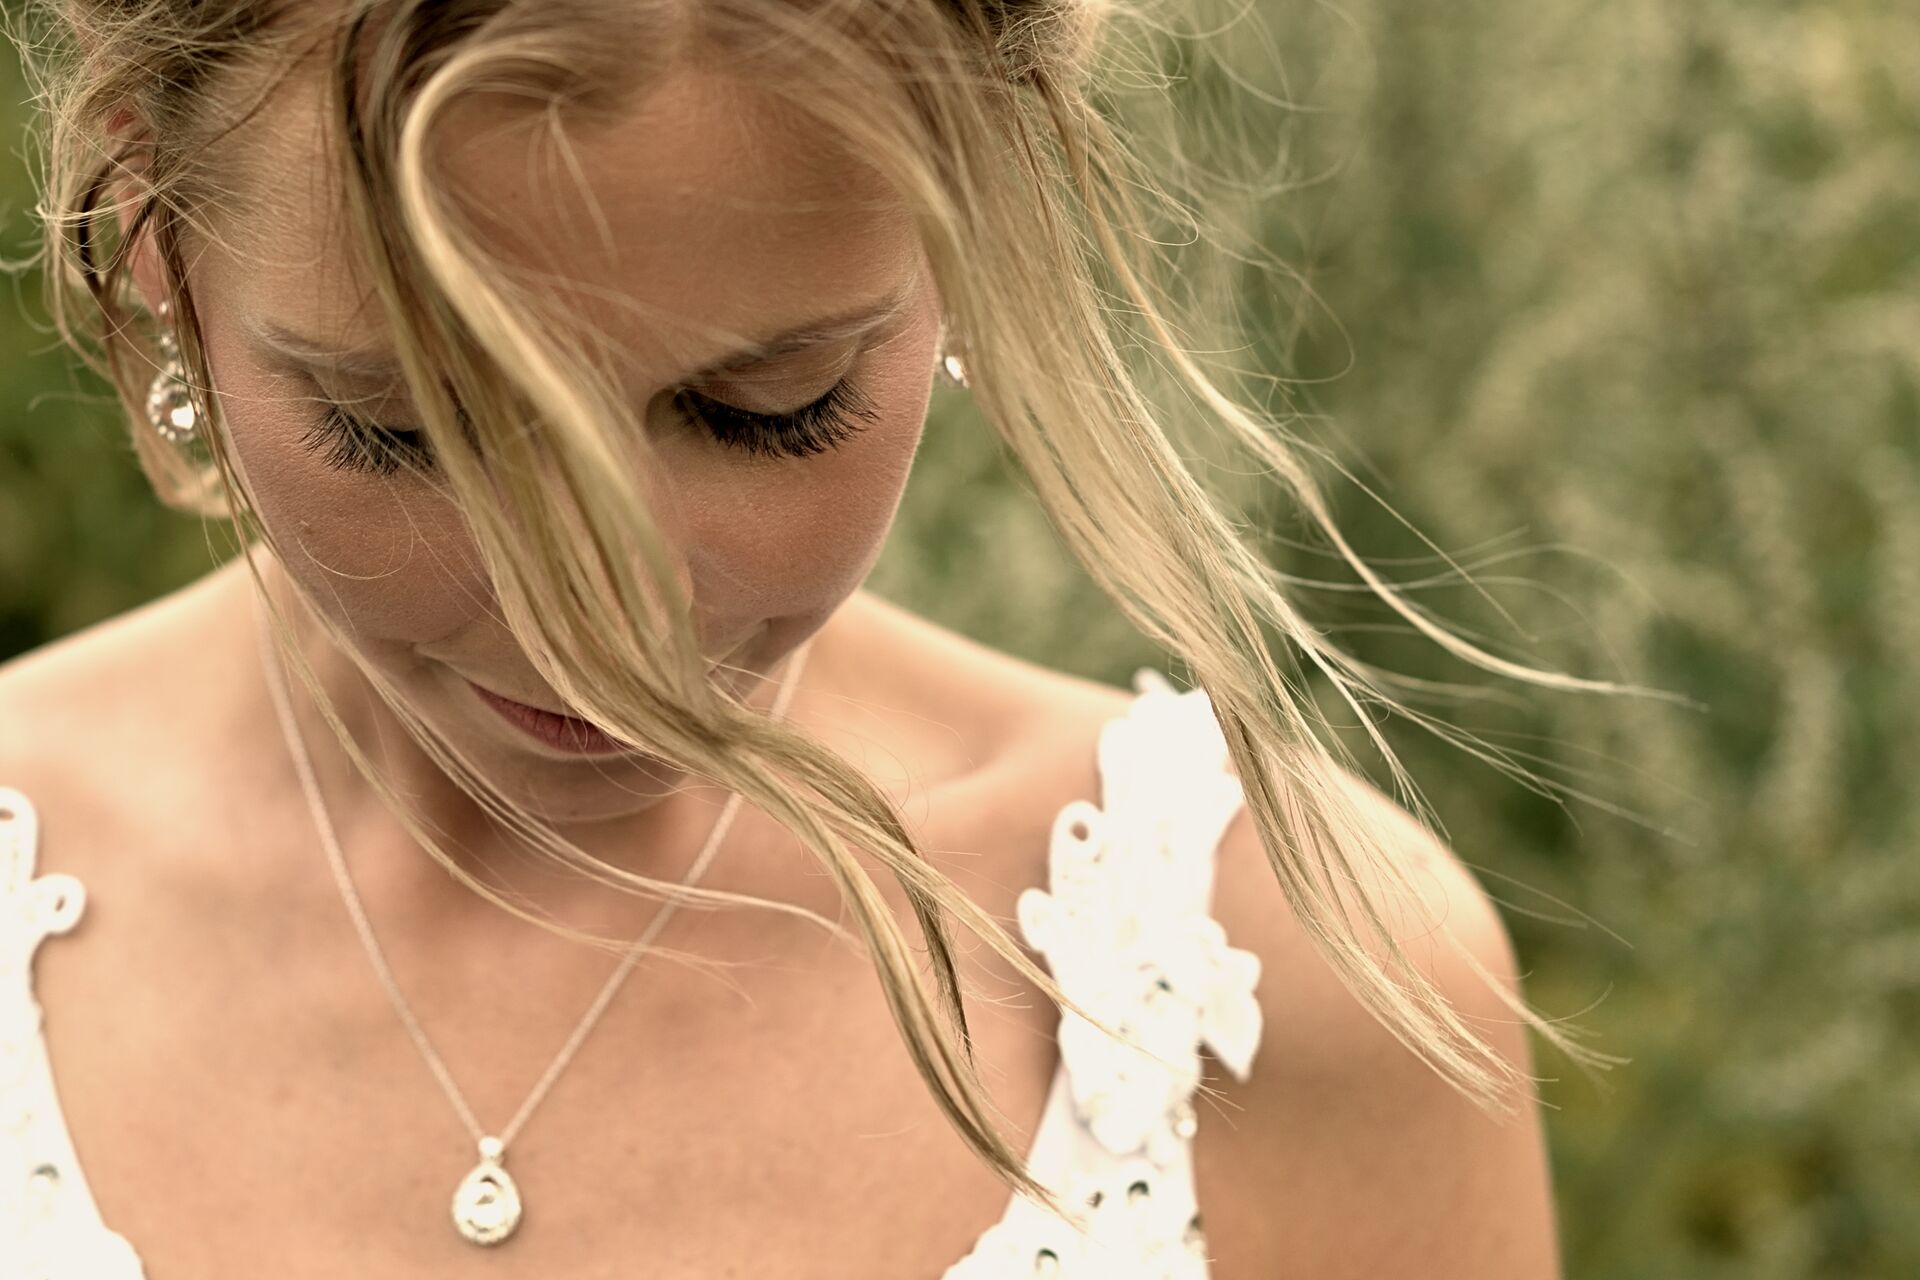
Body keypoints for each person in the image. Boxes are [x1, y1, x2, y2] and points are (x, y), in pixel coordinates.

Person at [0, 0, 1628, 1274]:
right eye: (409, 427)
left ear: (981, 220)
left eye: (766, 409)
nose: (600, 623)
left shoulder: (1287, 988)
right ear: (156, 235)